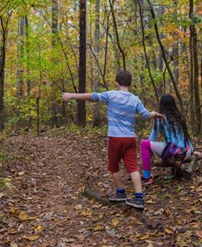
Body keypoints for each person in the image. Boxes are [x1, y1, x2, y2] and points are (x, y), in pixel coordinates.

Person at [62, 70, 162, 210]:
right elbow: (146, 115)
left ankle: (121, 193)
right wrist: (155, 114)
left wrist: (71, 95)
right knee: (133, 168)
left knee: (113, 166)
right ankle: (139, 198)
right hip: (130, 139)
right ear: (130, 84)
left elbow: (92, 96)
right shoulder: (135, 99)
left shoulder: (111, 95)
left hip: (115, 138)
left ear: (116, 83)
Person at [140, 93, 194, 184]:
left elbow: (152, 138)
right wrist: (192, 150)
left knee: (144, 144)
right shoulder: (179, 117)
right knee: (169, 144)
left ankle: (146, 176)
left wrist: (150, 150)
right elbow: (185, 136)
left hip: (174, 152)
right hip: (186, 152)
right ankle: (177, 169)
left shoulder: (161, 117)